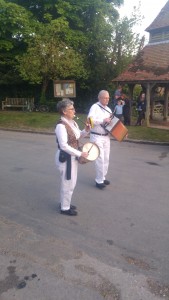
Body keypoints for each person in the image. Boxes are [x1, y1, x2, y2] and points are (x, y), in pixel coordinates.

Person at [55, 98, 90, 216]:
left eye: (74, 108)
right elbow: (64, 146)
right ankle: (64, 208)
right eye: (71, 109)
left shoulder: (73, 123)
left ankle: (66, 203)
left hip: (72, 157)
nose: (74, 111)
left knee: (71, 182)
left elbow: (77, 136)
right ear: (64, 111)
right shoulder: (61, 126)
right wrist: (80, 153)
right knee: (67, 183)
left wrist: (86, 131)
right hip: (65, 158)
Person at [87, 90, 112, 189]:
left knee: (106, 158)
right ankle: (99, 180)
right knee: (100, 159)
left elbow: (111, 122)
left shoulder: (109, 109)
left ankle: (103, 176)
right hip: (96, 136)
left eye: (108, 98)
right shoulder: (95, 107)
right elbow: (89, 121)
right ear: (100, 98)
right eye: (105, 98)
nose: (107, 99)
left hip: (106, 136)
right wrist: (102, 120)